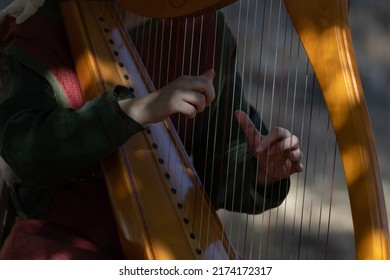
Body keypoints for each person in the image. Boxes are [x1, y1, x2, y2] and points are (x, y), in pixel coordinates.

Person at [0, 0, 303, 259]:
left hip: (164, 242)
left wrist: (261, 171)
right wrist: (134, 111)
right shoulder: (42, 28)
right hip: (57, 242)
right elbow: (25, 152)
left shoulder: (203, 30)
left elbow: (223, 152)